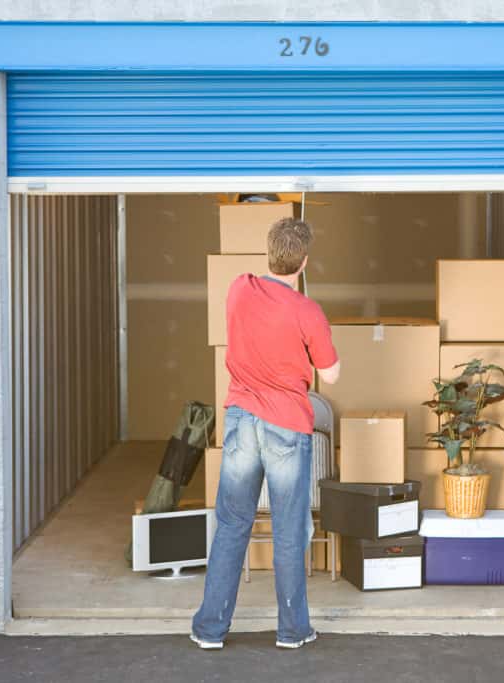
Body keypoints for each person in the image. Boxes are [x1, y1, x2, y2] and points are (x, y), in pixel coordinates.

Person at [191, 216, 340, 650]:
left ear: (269, 253)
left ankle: (210, 630)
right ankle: (292, 630)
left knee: (232, 524)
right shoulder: (308, 311)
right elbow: (330, 374)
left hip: (240, 419)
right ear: (305, 261)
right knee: (289, 528)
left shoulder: (239, 288)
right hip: (287, 427)